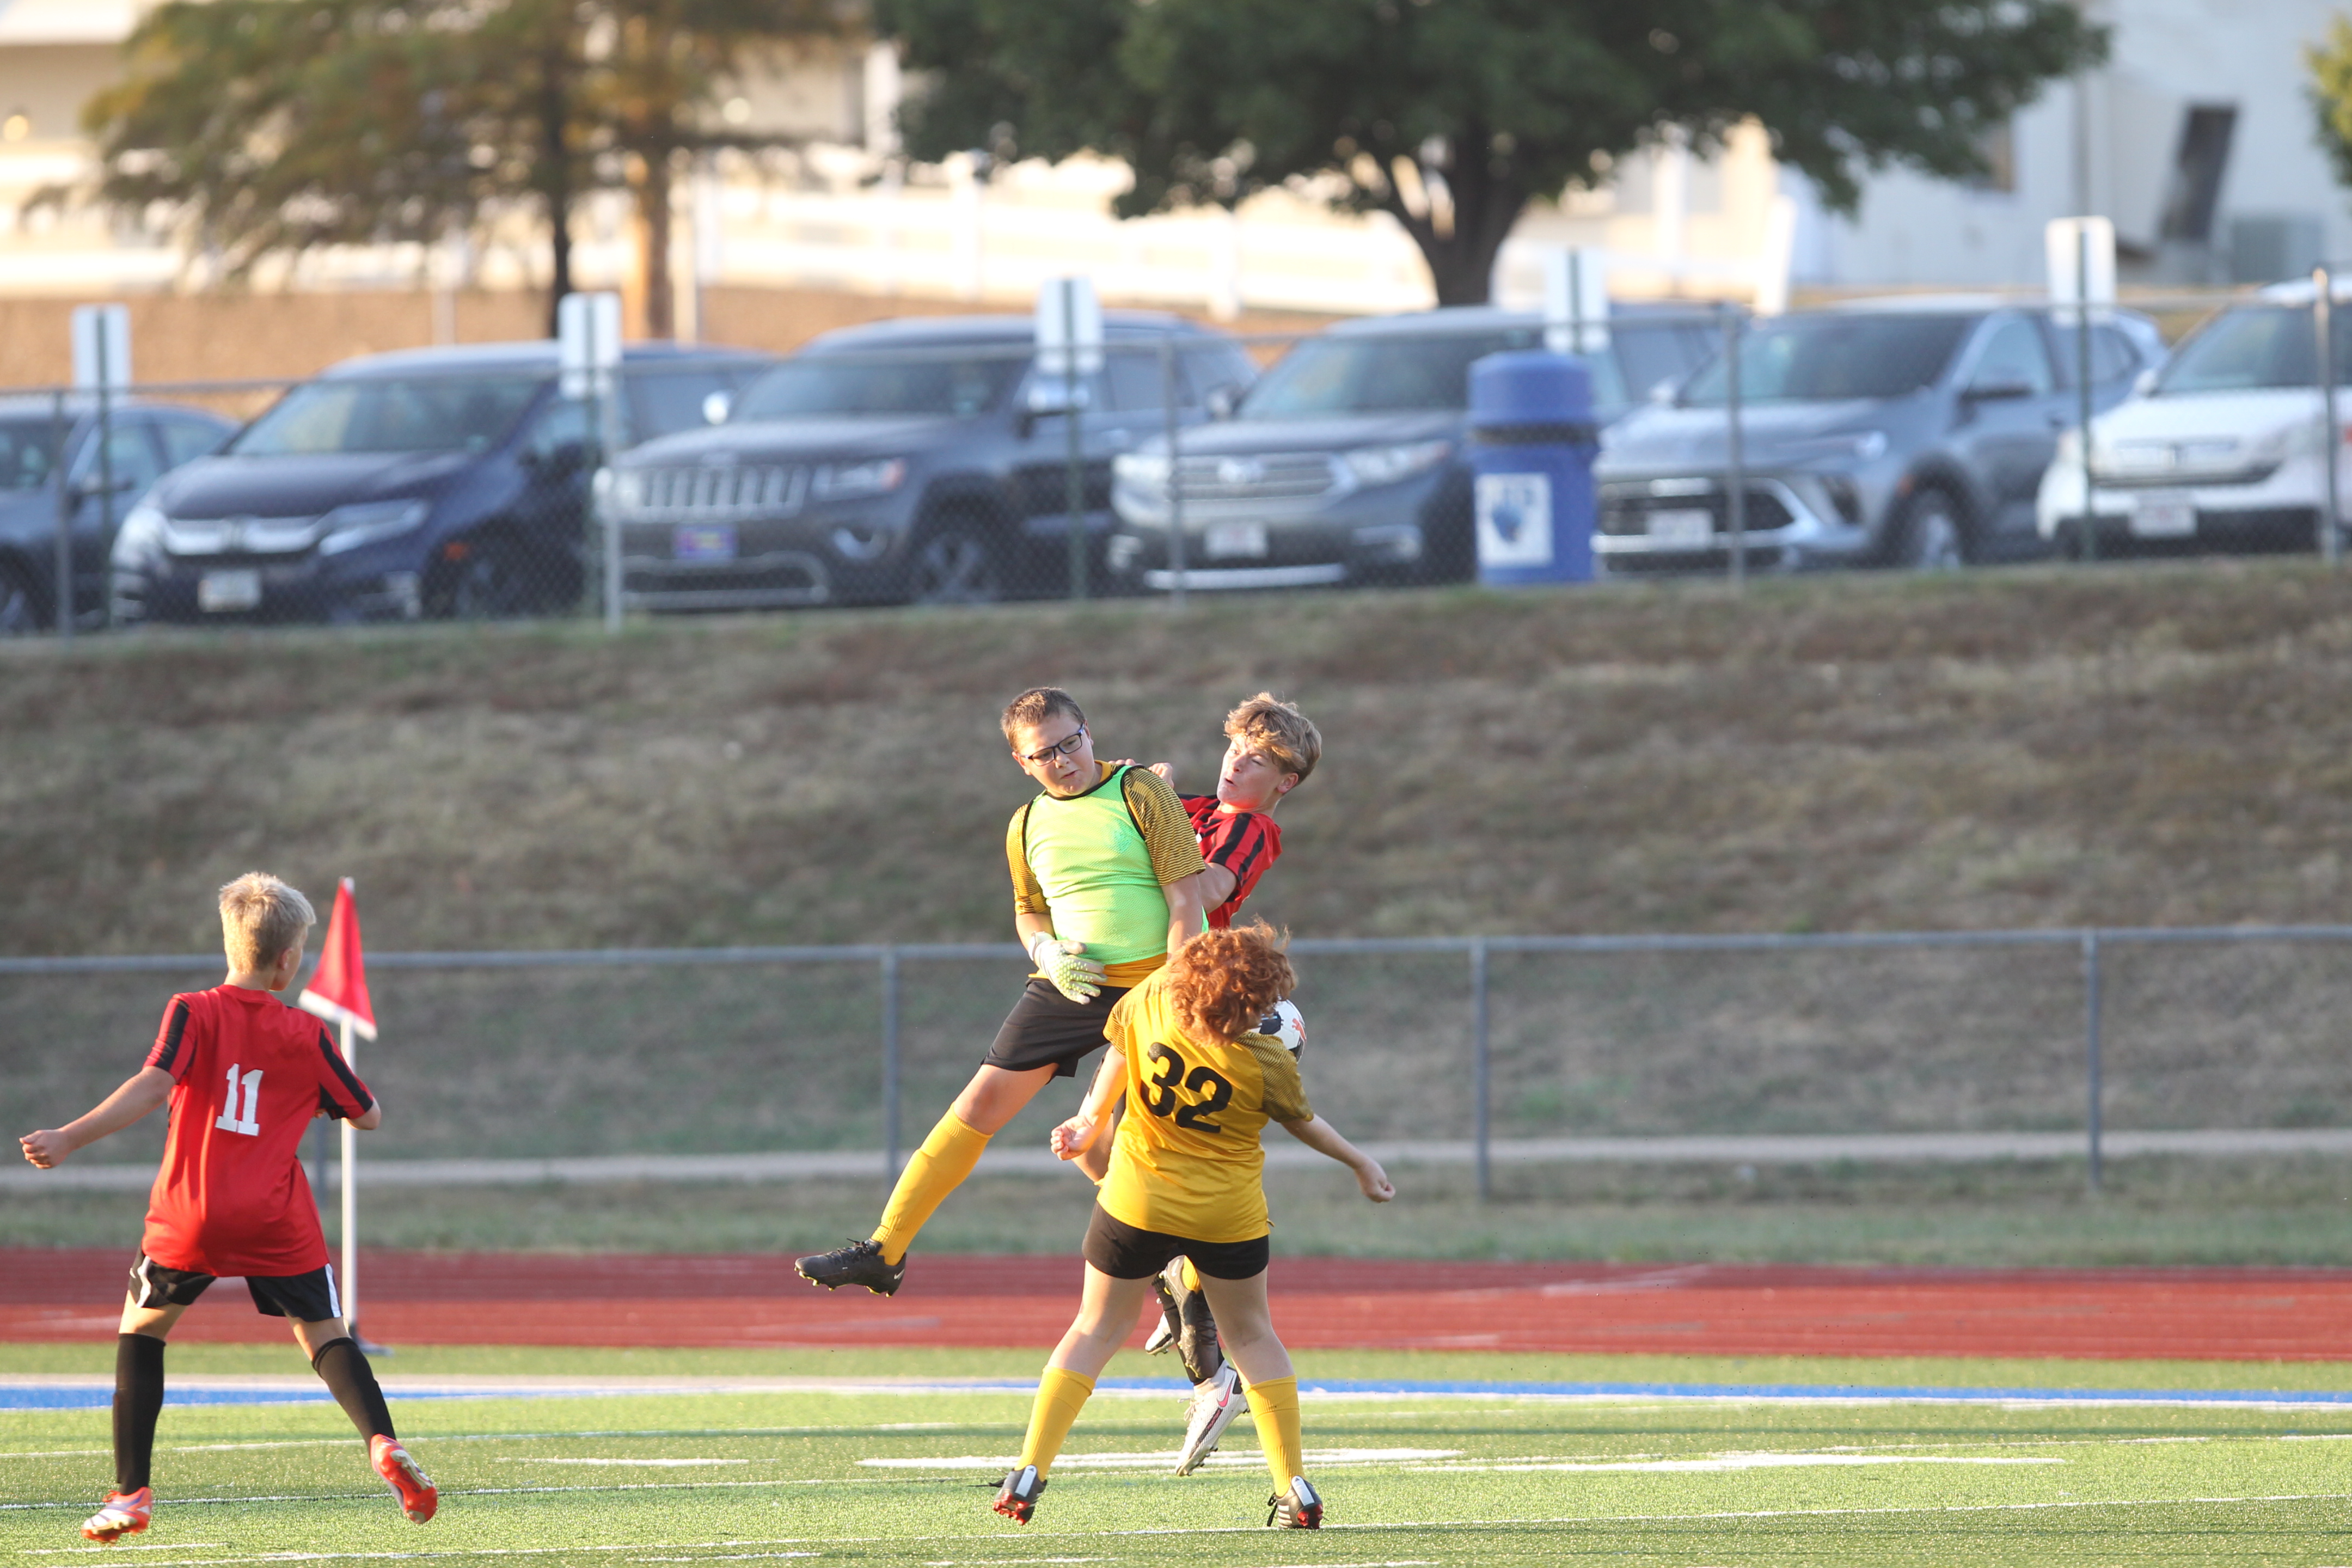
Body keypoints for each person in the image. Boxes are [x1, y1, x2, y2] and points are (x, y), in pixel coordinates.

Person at [17, 873, 436, 1543]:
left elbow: (152, 1084)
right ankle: (382, 1442)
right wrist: (314, 1097)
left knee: (142, 1334)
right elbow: (369, 1115)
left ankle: (131, 1493)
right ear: (288, 960)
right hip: (276, 1216)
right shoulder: (307, 1032)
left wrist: (68, 1136)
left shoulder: (192, 1010)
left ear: (230, 943)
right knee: (325, 1335)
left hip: (194, 1209)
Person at [795, 687, 1213, 1297]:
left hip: (1157, 984)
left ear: (1089, 732)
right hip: (1073, 985)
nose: (1063, 760)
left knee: (1150, 1148)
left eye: (1071, 743)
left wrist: (1175, 988)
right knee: (978, 1104)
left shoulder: (1140, 790)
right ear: (1022, 762)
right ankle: (884, 1250)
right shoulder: (1025, 824)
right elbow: (1028, 912)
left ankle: (1189, 1288)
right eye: (1044, 754)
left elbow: (1186, 899)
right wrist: (1046, 953)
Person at [993, 920, 1393, 1531]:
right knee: (1253, 1337)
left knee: (1095, 1328)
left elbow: (1119, 1050)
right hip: (1225, 1214)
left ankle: (1028, 1470)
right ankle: (1294, 1486)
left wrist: (1089, 1119)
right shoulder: (1266, 1057)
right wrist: (1361, 1164)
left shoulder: (1153, 993)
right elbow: (1304, 1123)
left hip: (1137, 1201)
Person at [1068, 695, 1322, 1457]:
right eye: (1237, 747)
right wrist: (1136, 787)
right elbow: (1124, 822)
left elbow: (1205, 889)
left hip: (1183, 1010)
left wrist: (1154, 808)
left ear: (1285, 782)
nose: (1238, 762)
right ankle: (1179, 1285)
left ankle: (1196, 1323)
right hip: (1153, 996)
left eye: (1259, 758)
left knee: (1109, 1143)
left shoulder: (1248, 826)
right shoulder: (1201, 805)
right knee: (1094, 1145)